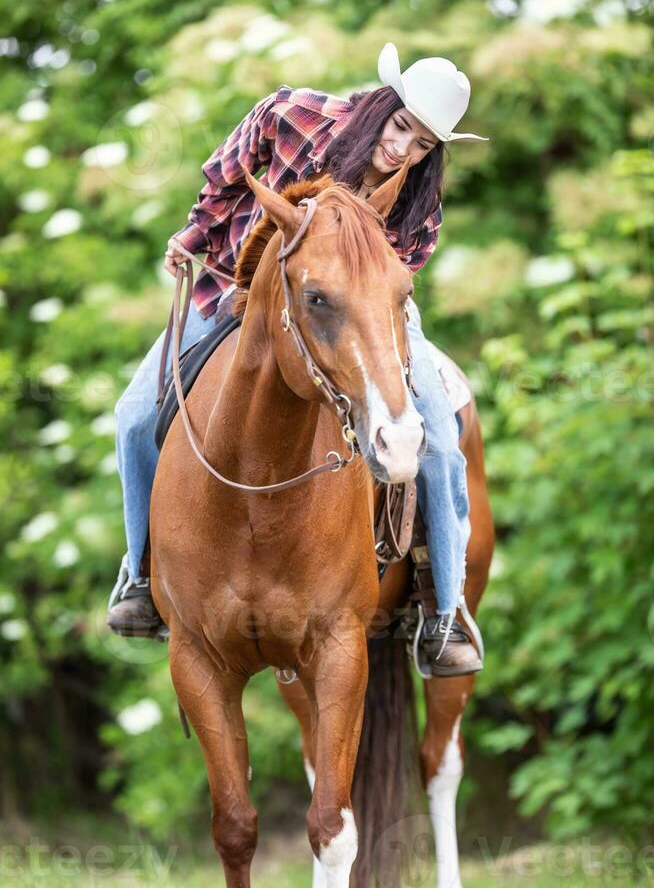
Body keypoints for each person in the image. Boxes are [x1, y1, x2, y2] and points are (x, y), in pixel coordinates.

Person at [107, 42, 489, 676]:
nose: (402, 150)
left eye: (422, 144)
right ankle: (139, 577)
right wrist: (191, 236)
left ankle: (443, 611)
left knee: (442, 440)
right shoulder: (292, 115)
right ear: (382, 105)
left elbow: (396, 276)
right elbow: (226, 181)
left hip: (360, 315)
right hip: (237, 290)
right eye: (400, 127)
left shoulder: (421, 201)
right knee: (132, 416)